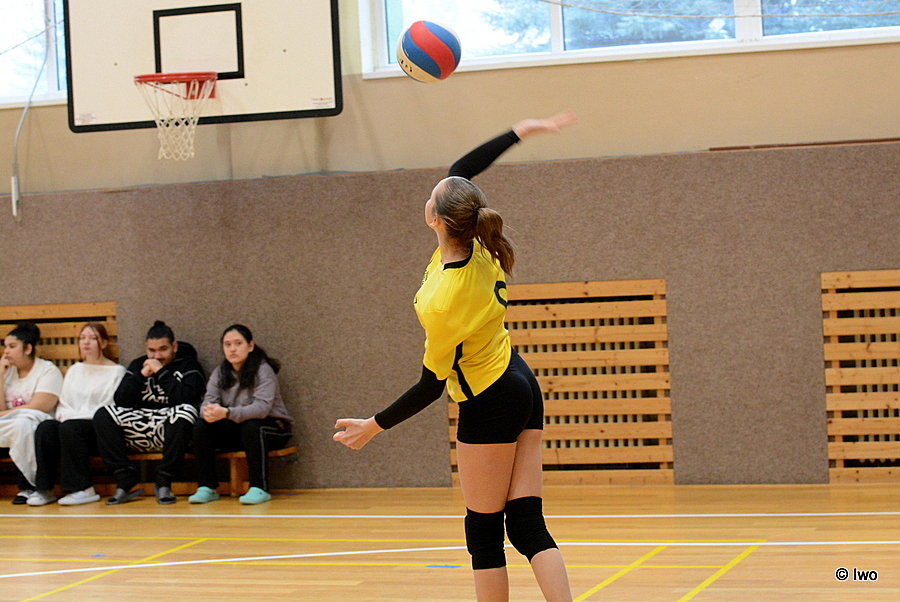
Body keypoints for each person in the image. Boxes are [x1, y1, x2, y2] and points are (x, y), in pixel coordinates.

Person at [333, 111, 577, 602]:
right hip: (520, 381)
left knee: (483, 532)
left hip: (489, 397)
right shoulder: (481, 245)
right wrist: (521, 131)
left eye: (432, 197)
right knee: (526, 523)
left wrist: (373, 426)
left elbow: (430, 385)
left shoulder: (442, 298)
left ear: (436, 219)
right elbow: (461, 171)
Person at [93, 320, 205, 505]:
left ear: (174, 347)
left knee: (187, 411)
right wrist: (141, 376)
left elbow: (186, 397)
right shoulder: (138, 364)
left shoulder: (189, 365)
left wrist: (161, 372)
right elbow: (121, 400)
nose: (157, 356)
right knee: (103, 414)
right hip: (140, 425)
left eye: (163, 349)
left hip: (170, 426)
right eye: (152, 350)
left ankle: (163, 481)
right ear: (146, 347)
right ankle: (125, 478)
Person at [188, 324, 293, 505]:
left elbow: (261, 409)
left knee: (252, 427)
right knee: (201, 427)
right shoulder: (220, 372)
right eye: (227, 345)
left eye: (238, 343)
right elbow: (207, 401)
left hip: (272, 428)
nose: (232, 349)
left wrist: (227, 412)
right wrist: (209, 413)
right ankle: (207, 486)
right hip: (238, 429)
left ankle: (259, 487)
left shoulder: (263, 370)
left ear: (250, 346)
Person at [27, 323, 126, 506]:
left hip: (97, 429)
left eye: (92, 338)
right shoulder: (74, 370)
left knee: (70, 428)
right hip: (70, 425)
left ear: (104, 343)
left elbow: (109, 407)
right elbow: (63, 402)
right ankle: (44, 489)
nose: (86, 342)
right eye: (82, 338)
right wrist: (67, 417)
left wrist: (75, 419)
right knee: (46, 428)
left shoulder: (116, 372)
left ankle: (83, 488)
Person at [0, 322, 63, 505]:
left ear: (27, 348)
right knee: (18, 424)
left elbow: (39, 406)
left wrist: (5, 415)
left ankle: (34, 486)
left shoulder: (48, 370)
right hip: (8, 423)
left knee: (23, 424)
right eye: (5, 346)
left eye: (12, 346)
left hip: (38, 424)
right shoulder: (7, 372)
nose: (6, 352)